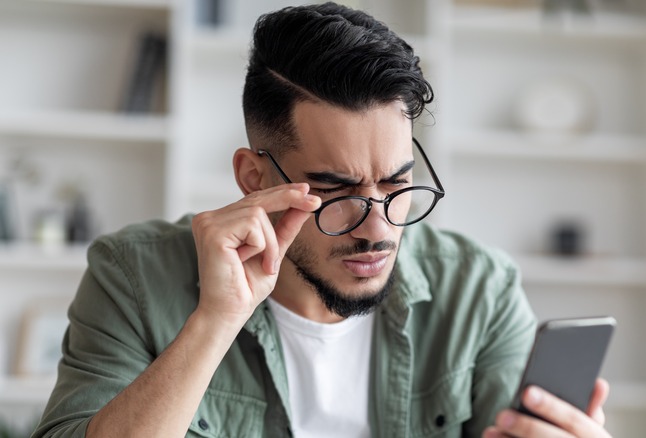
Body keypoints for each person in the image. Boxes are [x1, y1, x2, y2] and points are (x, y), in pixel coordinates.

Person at [33, 3, 610, 437]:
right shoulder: (133, 275)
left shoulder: (478, 287)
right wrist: (216, 320)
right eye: (336, 190)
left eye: (396, 182)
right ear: (255, 179)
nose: (378, 227)